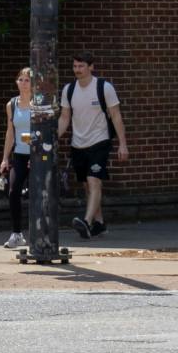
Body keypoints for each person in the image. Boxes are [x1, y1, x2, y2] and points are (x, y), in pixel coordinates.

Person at [60, 53, 128, 239]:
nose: (77, 70)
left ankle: (87, 221)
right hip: (78, 144)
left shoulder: (104, 88)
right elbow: (65, 118)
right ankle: (99, 223)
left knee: (94, 180)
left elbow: (115, 115)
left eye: (81, 66)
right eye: (75, 66)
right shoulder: (69, 90)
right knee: (87, 186)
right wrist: (52, 137)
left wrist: (123, 144)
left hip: (99, 141)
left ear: (91, 67)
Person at [0, 67, 41, 250]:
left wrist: (36, 153)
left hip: (37, 156)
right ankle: (17, 234)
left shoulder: (38, 104)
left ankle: (39, 234)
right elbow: (10, 132)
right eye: (20, 80)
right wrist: (5, 158)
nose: (23, 84)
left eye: (27, 80)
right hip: (19, 155)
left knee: (36, 194)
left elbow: (44, 132)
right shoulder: (12, 105)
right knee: (14, 191)